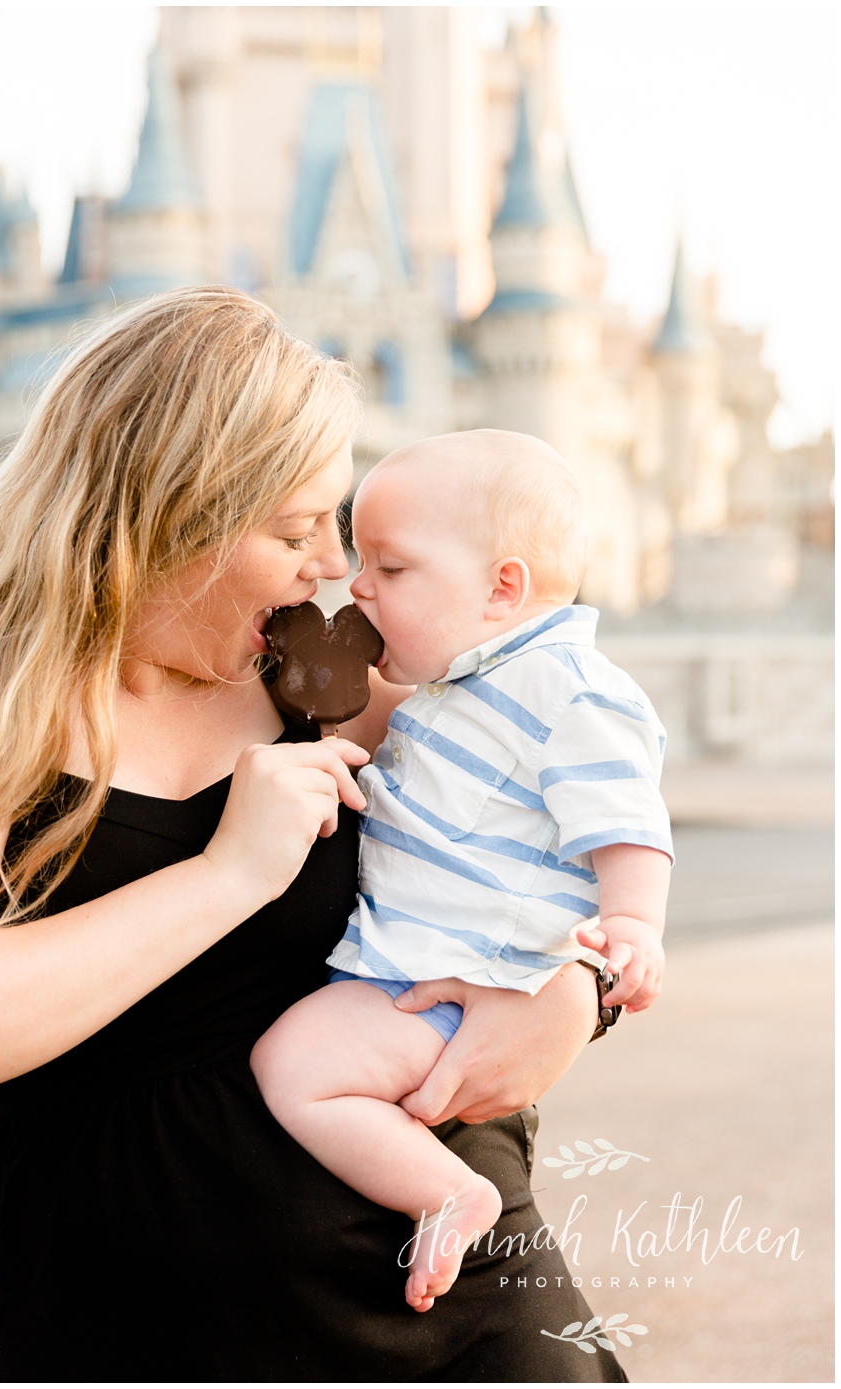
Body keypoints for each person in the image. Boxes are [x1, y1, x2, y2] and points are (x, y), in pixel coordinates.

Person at [0, 287, 626, 1381]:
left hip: (448, 1311)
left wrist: (582, 995)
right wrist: (226, 875)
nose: (332, 569)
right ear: (164, 517)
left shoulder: (327, 674)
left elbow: (581, 816)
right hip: (130, 1322)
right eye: (296, 530)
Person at [250, 431, 672, 1312]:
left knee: (293, 1066)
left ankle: (447, 1191)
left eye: (391, 568)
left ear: (501, 588)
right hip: (425, 966)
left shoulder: (568, 689)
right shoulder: (465, 686)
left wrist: (631, 927)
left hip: (452, 981)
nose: (356, 584)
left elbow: (625, 819)